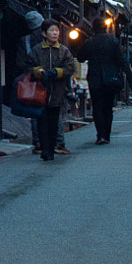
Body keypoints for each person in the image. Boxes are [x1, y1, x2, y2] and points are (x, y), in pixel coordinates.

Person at [27, 21, 76, 160]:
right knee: (42, 121)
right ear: (44, 33)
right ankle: (45, 150)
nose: (55, 33)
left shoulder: (63, 50)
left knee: (54, 121)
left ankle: (52, 147)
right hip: (40, 91)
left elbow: (70, 67)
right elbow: (27, 66)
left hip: (57, 91)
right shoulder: (36, 50)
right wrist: (38, 71)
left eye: (57, 31)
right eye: (52, 30)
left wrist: (58, 72)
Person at [78, 18, 125, 144]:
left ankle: (100, 135)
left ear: (93, 28)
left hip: (94, 77)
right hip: (110, 77)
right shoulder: (113, 41)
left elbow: (81, 58)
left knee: (97, 107)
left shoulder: (89, 42)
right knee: (108, 107)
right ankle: (107, 134)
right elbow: (120, 59)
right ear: (105, 27)